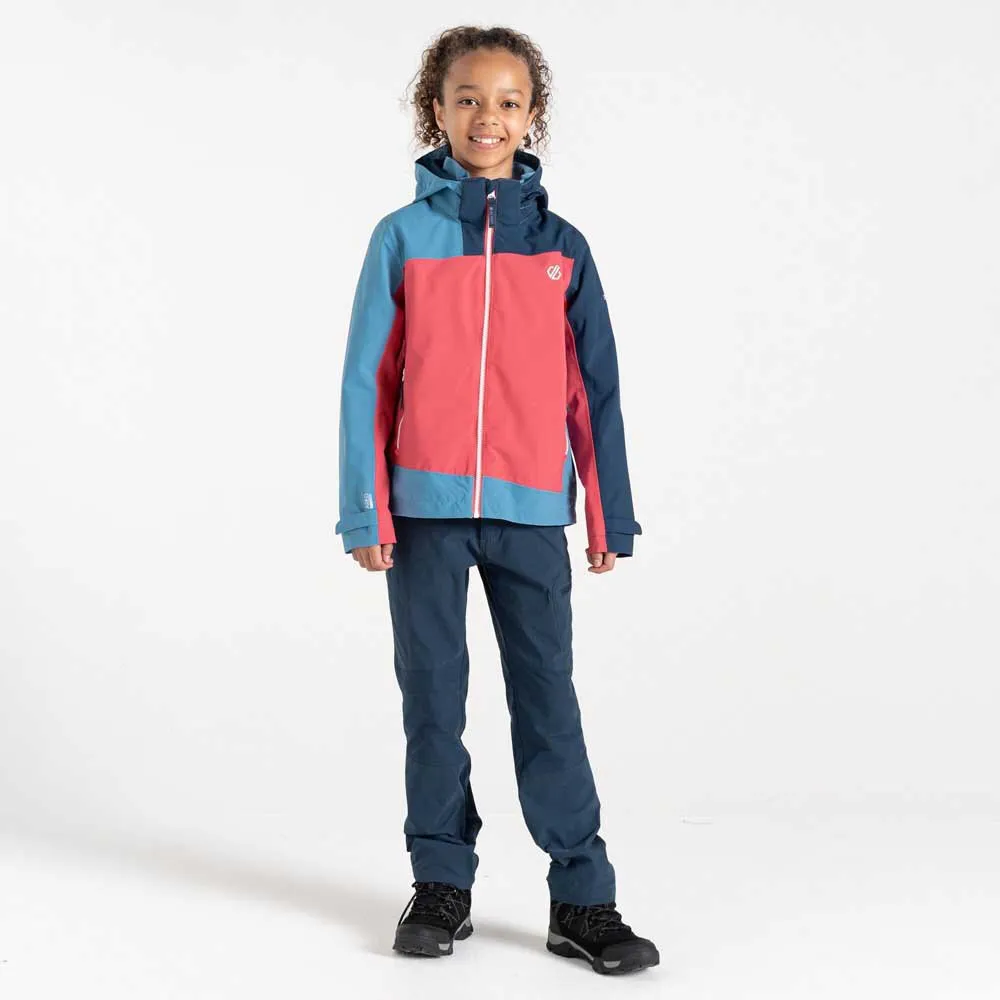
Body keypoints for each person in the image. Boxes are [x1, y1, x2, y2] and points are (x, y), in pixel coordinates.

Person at [334, 25, 658, 976]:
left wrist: (608, 510)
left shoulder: (561, 250)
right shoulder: (402, 238)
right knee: (433, 702)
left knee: (547, 701)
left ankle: (582, 897)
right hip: (423, 515)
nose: (488, 117)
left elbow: (594, 391)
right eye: (468, 98)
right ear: (435, 109)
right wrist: (365, 508)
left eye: (508, 101)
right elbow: (367, 382)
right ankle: (441, 882)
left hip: (529, 515)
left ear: (533, 115)